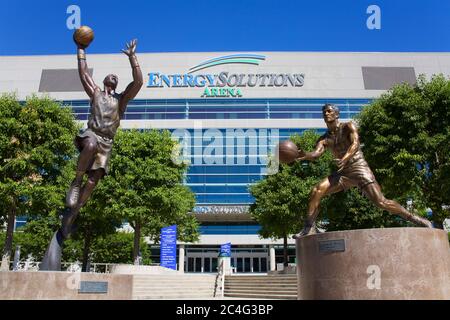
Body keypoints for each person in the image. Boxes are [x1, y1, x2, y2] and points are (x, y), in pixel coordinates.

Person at [293, 103, 432, 238]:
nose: (326, 113)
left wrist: (345, 158)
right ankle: (309, 227)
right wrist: (304, 154)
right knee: (316, 191)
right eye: (324, 112)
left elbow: (355, 144)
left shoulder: (348, 127)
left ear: (337, 114)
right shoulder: (324, 139)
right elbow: (316, 154)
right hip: (343, 173)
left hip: (359, 167)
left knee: (381, 202)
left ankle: (416, 219)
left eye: (329, 111)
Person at [61, 38, 144, 239]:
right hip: (92, 134)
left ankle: (73, 213)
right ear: (106, 81)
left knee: (93, 182)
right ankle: (76, 181)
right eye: (111, 75)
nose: (114, 76)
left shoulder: (121, 100)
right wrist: (80, 50)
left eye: (116, 76)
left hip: (107, 143)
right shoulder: (96, 93)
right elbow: (83, 73)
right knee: (89, 144)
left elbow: (139, 82)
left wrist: (133, 57)